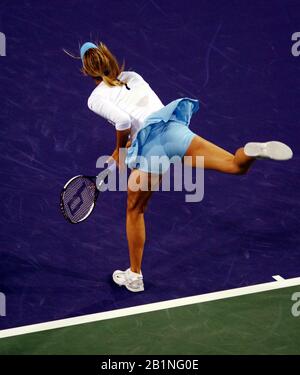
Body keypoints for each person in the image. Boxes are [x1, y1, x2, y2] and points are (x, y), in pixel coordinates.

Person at [79, 41, 293, 293]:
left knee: (135, 210)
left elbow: (124, 120)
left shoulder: (95, 99)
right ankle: (249, 152)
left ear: (87, 71)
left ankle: (135, 276)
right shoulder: (132, 76)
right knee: (235, 166)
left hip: (153, 149)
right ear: (110, 59)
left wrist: (120, 151)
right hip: (175, 131)